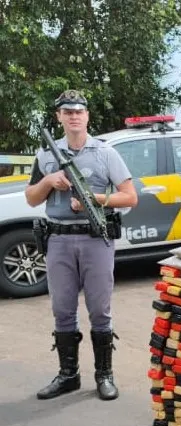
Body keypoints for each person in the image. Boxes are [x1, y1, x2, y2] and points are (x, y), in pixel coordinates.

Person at [25, 90, 138, 401]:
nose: (74, 116)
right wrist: (49, 182)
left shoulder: (105, 153)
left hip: (94, 239)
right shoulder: (46, 155)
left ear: (87, 116)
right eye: (67, 111)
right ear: (59, 117)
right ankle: (68, 375)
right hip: (58, 239)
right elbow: (31, 198)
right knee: (62, 309)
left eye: (79, 111)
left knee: (100, 310)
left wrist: (95, 200)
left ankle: (104, 375)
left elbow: (130, 197)